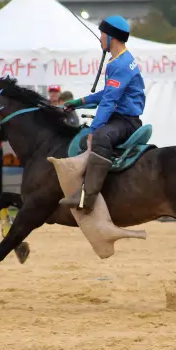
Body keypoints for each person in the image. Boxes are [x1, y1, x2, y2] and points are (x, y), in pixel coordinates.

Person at [59, 15, 145, 214]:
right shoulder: (120, 59)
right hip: (120, 117)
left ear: (111, 37)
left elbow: (109, 101)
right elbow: (108, 93)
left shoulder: (120, 65)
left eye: (102, 34)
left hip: (126, 121)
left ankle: (87, 197)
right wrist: (80, 102)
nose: (100, 38)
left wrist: (95, 128)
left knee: (99, 136)